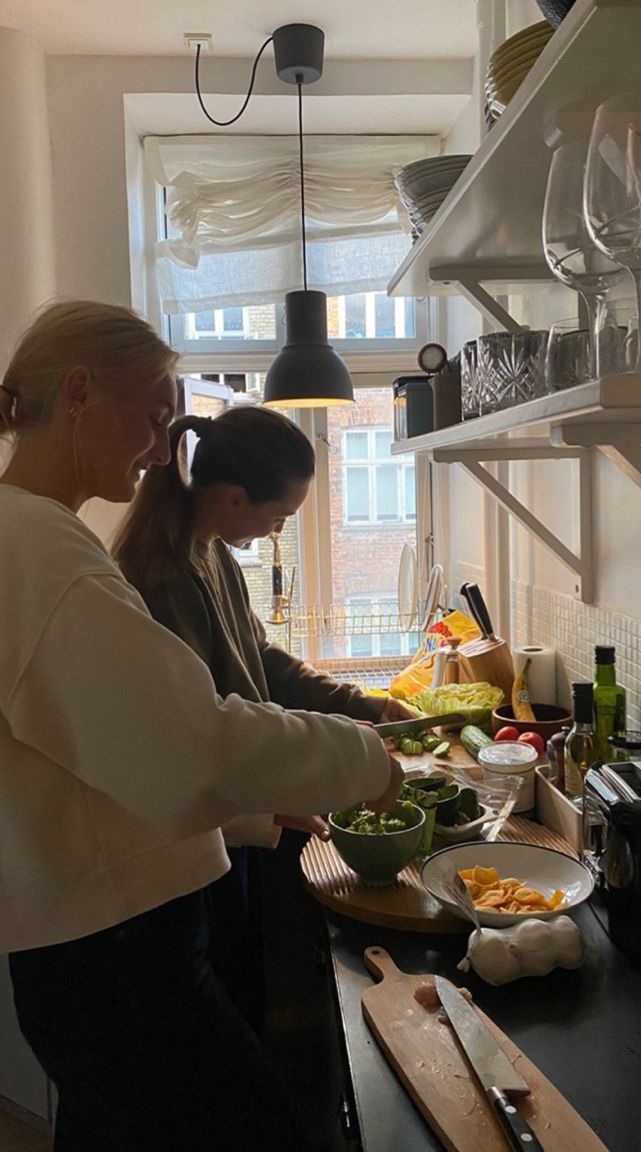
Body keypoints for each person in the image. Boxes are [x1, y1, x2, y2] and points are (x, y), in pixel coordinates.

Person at [0, 300, 403, 1152]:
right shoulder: (41, 552)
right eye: (150, 416)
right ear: (78, 393)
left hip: (89, 943)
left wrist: (268, 804)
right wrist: (366, 757)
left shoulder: (36, 541)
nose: (159, 447)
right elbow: (192, 747)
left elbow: (117, 755)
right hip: (114, 953)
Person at [111, 405, 412, 1030]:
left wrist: (365, 704)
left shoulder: (212, 552)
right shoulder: (161, 578)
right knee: (223, 991)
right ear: (233, 497)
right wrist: (267, 807)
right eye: (278, 517)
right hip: (202, 833)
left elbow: (262, 661)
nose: (278, 531)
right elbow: (196, 733)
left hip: (238, 815)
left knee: (245, 978)